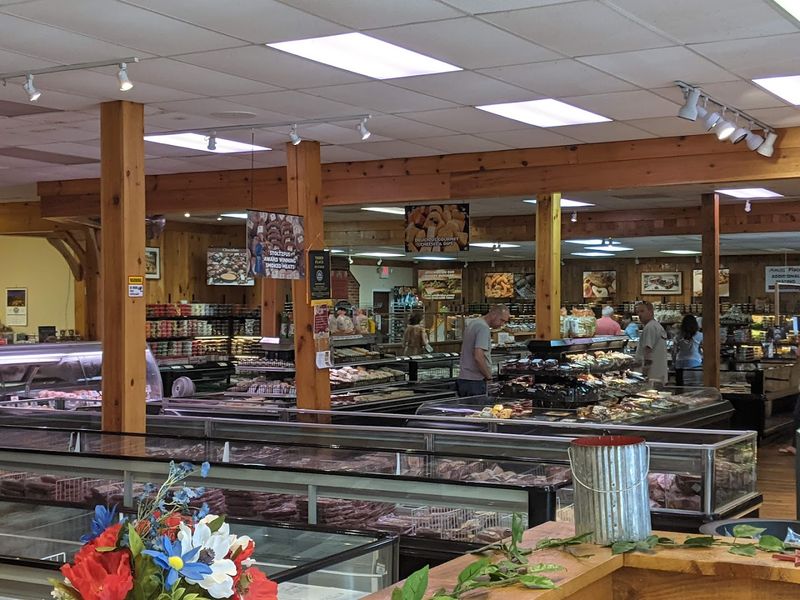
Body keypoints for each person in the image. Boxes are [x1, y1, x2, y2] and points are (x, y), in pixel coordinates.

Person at [457, 305, 510, 397]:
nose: (502, 324)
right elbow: (478, 356)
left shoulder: (474, 323)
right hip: (476, 382)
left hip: (464, 380)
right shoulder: (483, 328)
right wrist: (489, 376)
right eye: (502, 320)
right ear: (493, 315)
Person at [634, 301, 669, 387]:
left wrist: (645, 371)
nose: (639, 315)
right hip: (658, 373)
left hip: (651, 375)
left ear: (651, 311)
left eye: (642, 311)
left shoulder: (650, 327)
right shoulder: (656, 325)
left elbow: (648, 350)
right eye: (638, 312)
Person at [673, 314, 703, 386]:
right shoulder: (700, 335)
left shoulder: (678, 336)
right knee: (695, 390)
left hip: (680, 364)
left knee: (680, 389)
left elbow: (674, 352)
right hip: (695, 363)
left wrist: (674, 362)